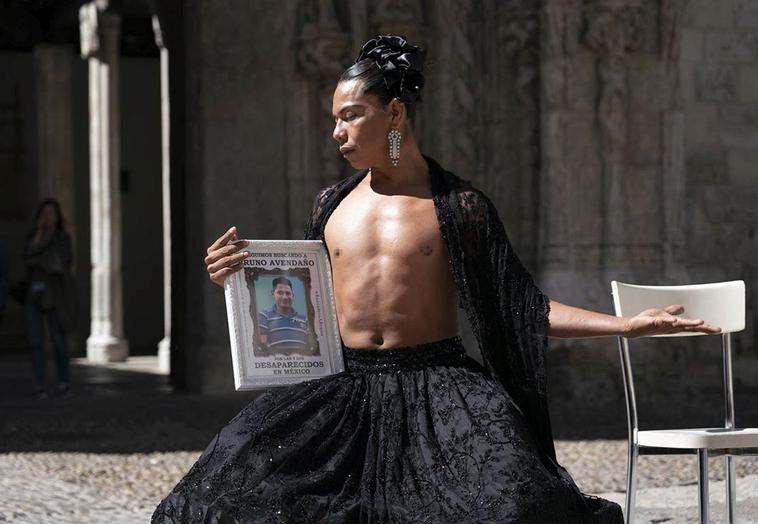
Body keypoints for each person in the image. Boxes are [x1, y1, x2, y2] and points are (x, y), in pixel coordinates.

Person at [154, 35, 719, 523]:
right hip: (343, 390)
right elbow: (304, 305)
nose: (337, 132)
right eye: (334, 118)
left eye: (351, 115)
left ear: (395, 115)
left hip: (439, 387)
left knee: (516, 505)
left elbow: (520, 307)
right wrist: (235, 277)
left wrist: (626, 325)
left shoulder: (459, 206)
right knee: (219, 500)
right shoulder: (330, 205)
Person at [23, 198, 74, 399]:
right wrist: (39, 240)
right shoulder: (33, 237)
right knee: (36, 342)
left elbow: (61, 263)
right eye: (44, 213)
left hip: (55, 296)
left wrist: (40, 260)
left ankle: (63, 382)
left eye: (52, 213)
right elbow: (27, 258)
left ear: (58, 216)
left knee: (58, 342)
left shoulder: (62, 238)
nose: (48, 217)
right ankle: (39, 384)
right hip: (34, 295)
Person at [257, 276, 310, 354]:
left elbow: (310, 347)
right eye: (280, 293)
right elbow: (262, 348)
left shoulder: (304, 319)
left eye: (288, 293)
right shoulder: (264, 316)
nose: (285, 297)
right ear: (273, 294)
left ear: (293, 295)